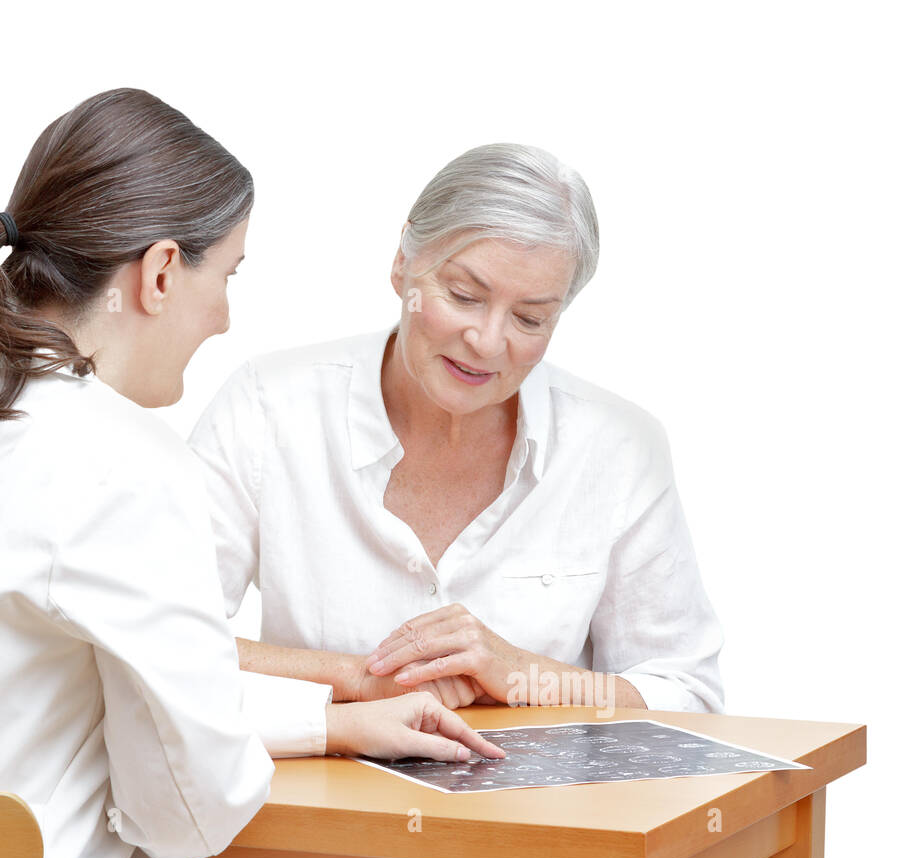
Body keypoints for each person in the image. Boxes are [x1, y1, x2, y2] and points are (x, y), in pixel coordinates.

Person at [0, 89, 502, 858]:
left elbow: (70, 709)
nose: (226, 318)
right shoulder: (123, 460)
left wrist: (328, 724)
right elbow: (183, 815)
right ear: (162, 272)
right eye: (229, 276)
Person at [188, 143, 724, 716]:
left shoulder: (618, 447)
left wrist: (525, 676)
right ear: (403, 263)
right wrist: (357, 681)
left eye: (530, 318)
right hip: (321, 803)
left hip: (541, 806)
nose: (488, 343)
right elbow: (154, 642)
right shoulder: (269, 406)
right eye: (464, 296)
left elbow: (687, 695)